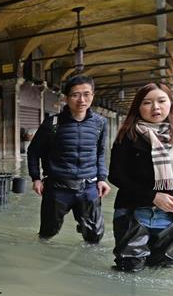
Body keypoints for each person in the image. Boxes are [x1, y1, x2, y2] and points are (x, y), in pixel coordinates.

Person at [108, 83, 173, 272]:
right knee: (128, 270)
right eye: (147, 102)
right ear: (138, 107)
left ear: (170, 103)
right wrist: (152, 197)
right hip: (133, 212)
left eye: (161, 101)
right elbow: (117, 175)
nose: (156, 107)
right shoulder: (128, 135)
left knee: (162, 270)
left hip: (172, 214)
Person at [27, 74, 111, 242]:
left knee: (94, 236)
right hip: (57, 188)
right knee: (47, 234)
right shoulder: (52, 123)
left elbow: (100, 152)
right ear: (66, 98)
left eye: (87, 94)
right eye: (75, 94)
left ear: (93, 96)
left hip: (89, 188)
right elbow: (33, 151)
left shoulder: (100, 123)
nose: (82, 100)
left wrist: (102, 178)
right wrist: (36, 178)